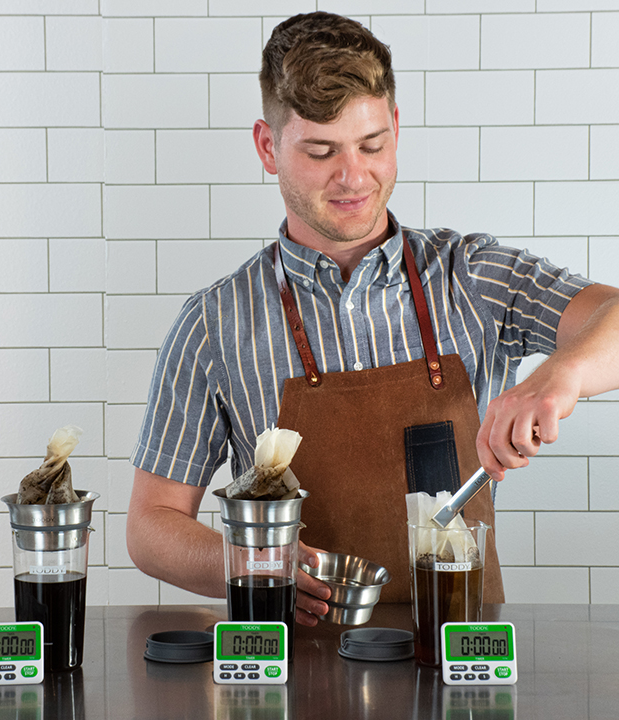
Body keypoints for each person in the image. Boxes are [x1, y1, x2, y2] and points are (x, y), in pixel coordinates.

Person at [126, 12, 619, 625]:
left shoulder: (473, 276)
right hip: (290, 675)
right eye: (321, 151)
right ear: (267, 146)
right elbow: (151, 527)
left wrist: (558, 376)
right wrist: (247, 562)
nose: (354, 176)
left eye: (372, 145)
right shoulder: (214, 323)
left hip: (458, 663)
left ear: (395, 131)